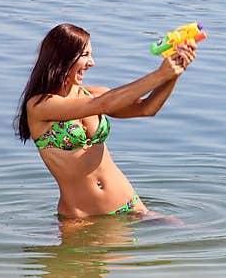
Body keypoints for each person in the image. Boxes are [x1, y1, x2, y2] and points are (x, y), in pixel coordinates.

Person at [14, 23, 197, 219]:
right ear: (62, 58)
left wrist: (174, 72)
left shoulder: (94, 93)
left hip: (130, 205)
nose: (91, 62)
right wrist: (159, 75)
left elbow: (147, 108)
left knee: (193, 236)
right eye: (85, 55)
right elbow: (104, 104)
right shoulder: (40, 106)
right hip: (81, 218)